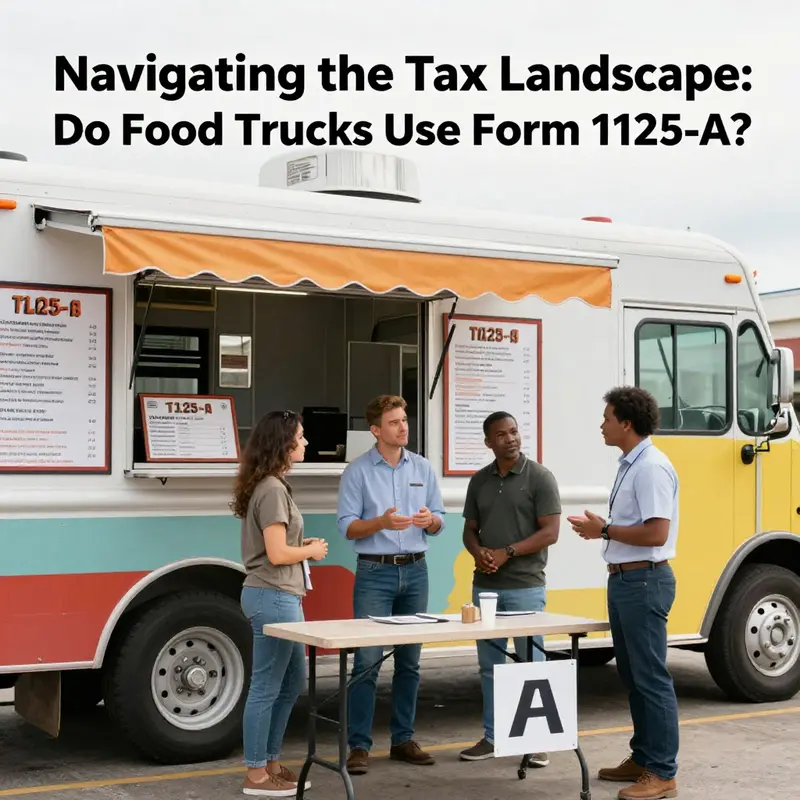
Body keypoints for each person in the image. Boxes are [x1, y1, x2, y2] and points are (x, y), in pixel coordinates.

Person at [568, 386, 679, 800]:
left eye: (608, 418)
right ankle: (644, 757)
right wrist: (606, 527)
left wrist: (606, 530)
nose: (602, 424)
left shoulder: (651, 467)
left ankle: (663, 772)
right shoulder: (631, 464)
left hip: (644, 581)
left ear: (626, 424)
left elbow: (657, 532)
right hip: (625, 579)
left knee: (651, 678)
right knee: (633, 676)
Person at [336, 394, 446, 775]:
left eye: (404, 420)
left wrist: (431, 520)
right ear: (376, 431)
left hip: (416, 570)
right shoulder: (357, 472)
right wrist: (380, 523)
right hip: (374, 573)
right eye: (395, 422)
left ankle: (403, 740)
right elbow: (347, 526)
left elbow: (440, 519)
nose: (404, 427)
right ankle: (359, 746)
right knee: (366, 663)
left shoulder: (423, 467)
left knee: (410, 662)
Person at [231, 410, 329, 798]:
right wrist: (310, 550)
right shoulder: (271, 489)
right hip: (272, 594)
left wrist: (300, 551)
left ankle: (271, 762)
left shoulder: (273, 486)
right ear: (283, 443)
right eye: (301, 437)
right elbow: (275, 552)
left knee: (291, 683)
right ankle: (256, 774)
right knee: (267, 686)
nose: (305, 443)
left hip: (282, 594)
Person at [458, 411, 562, 765]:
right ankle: (492, 737)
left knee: (530, 665)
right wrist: (480, 554)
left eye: (514, 431)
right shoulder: (480, 481)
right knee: (490, 667)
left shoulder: (540, 477)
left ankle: (536, 742)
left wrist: (507, 553)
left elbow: (551, 532)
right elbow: (469, 530)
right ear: (489, 442)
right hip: (485, 588)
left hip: (525, 587)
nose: (511, 438)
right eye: (501, 434)